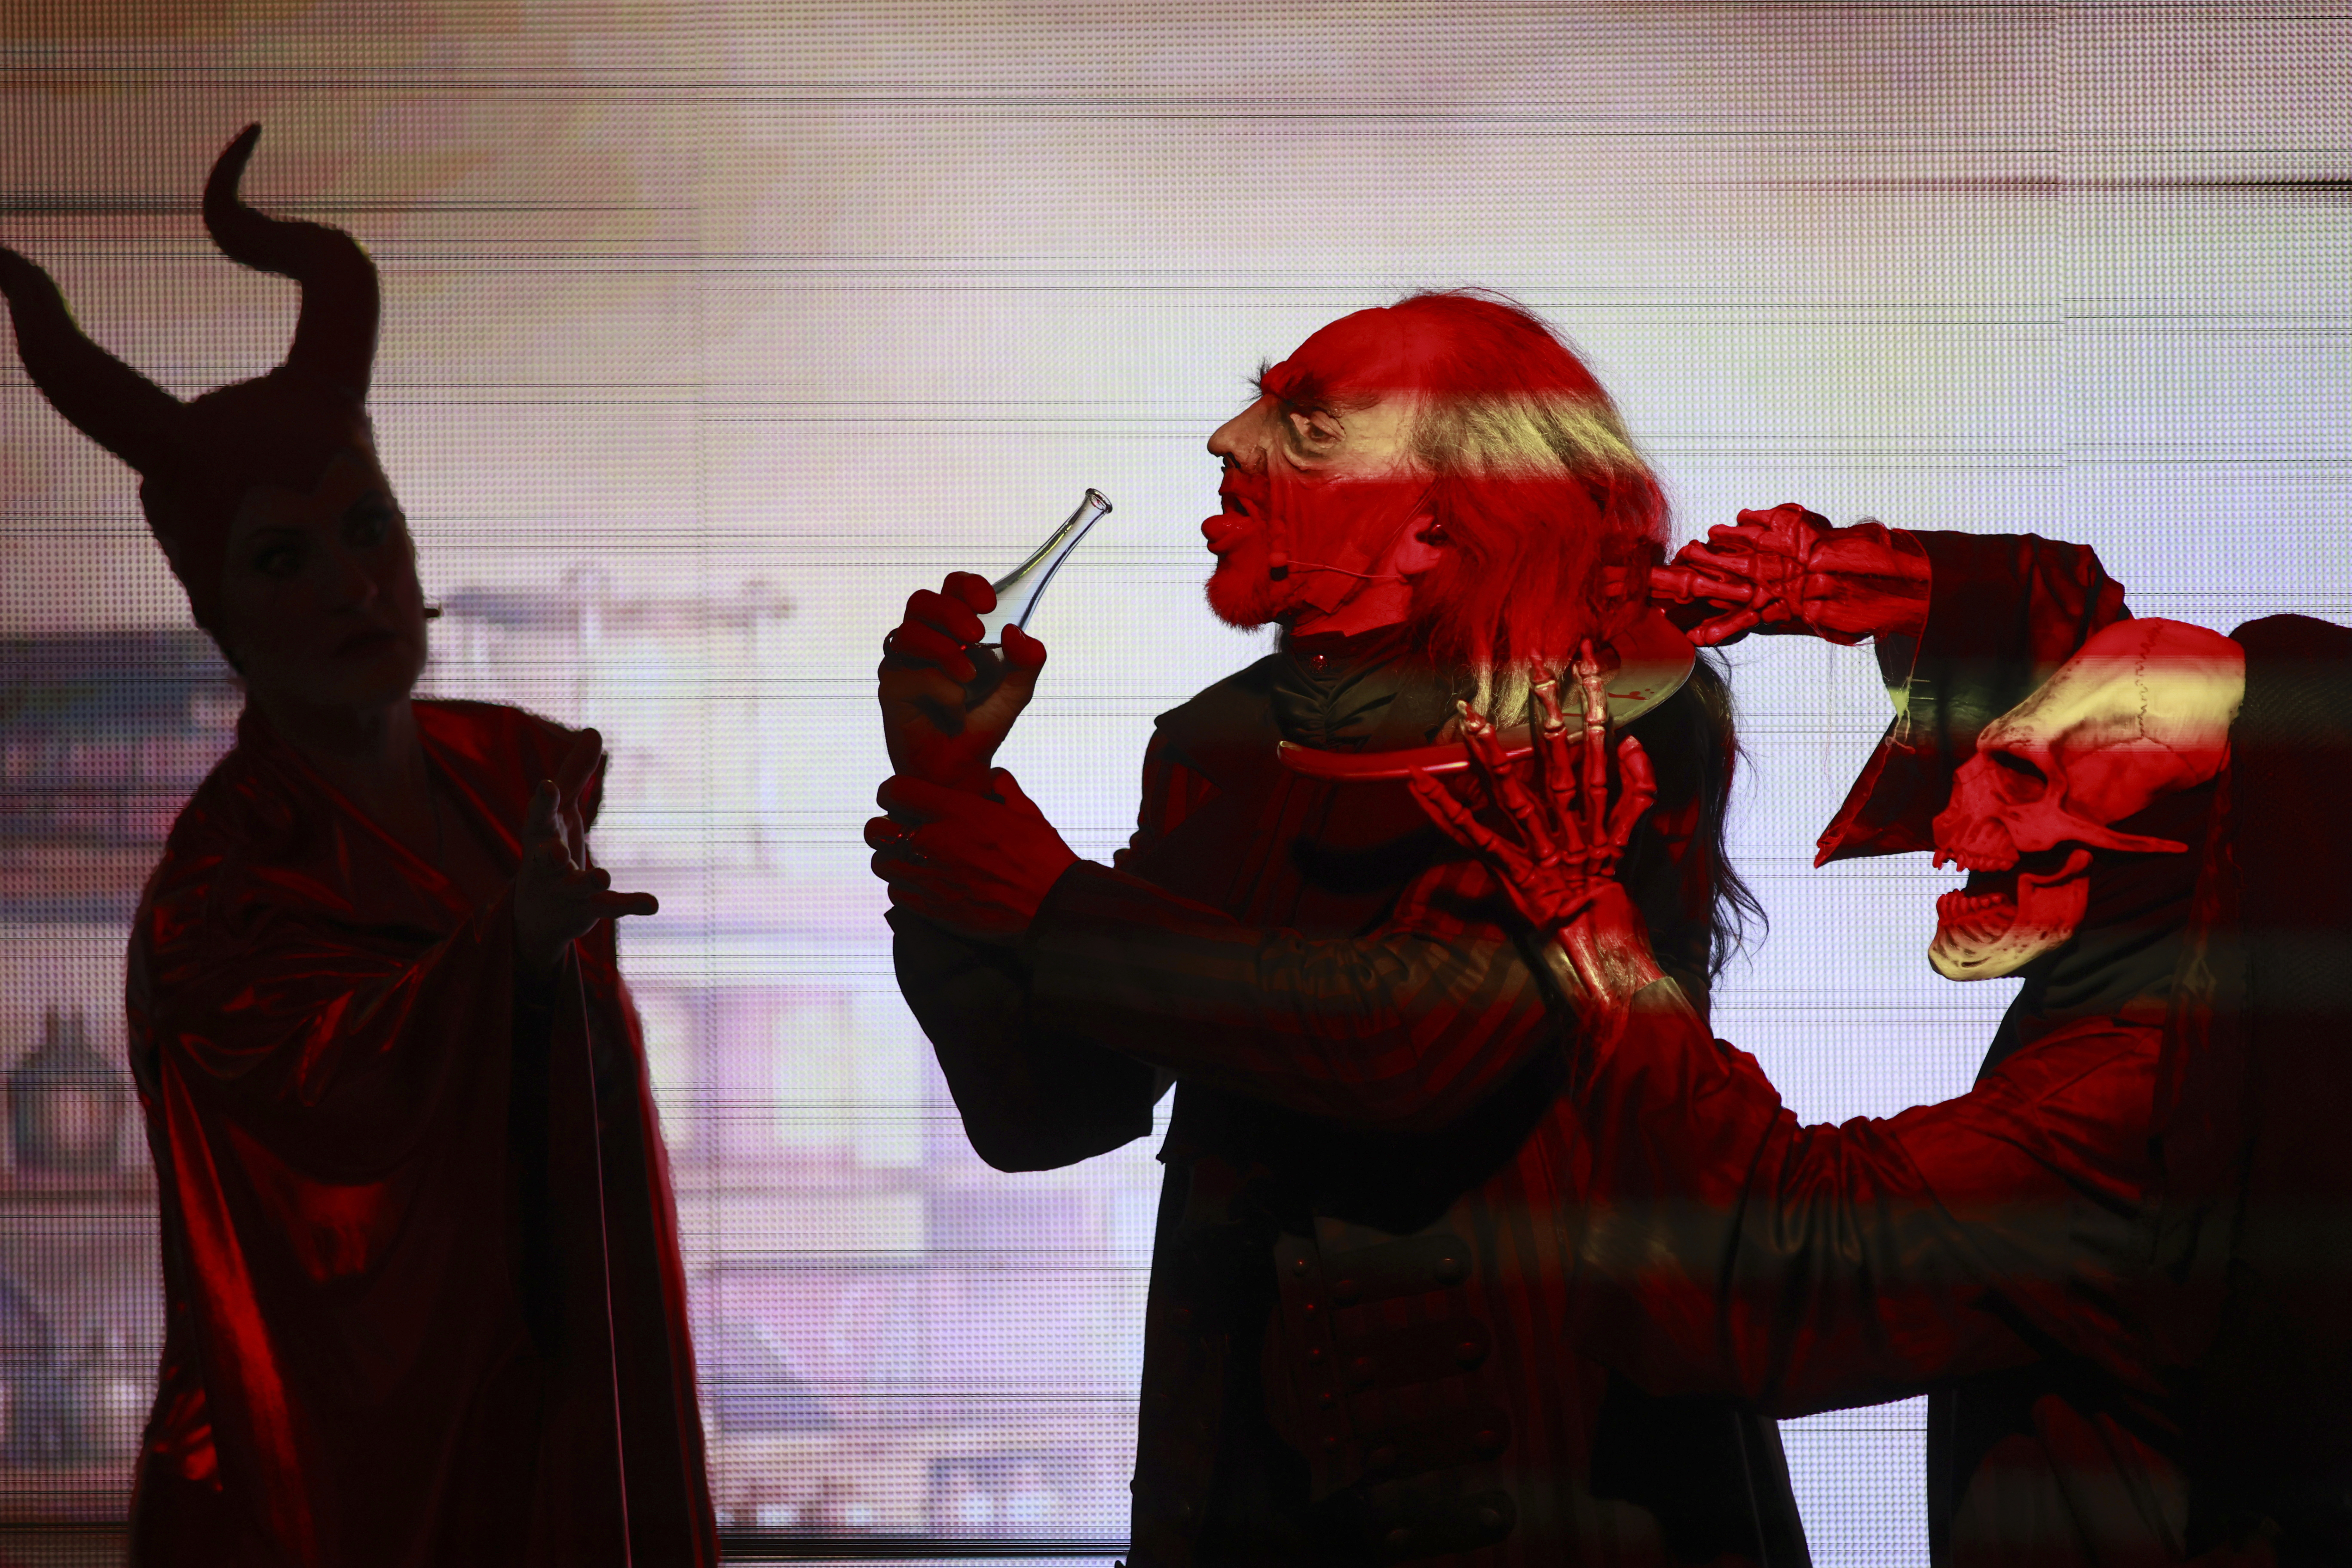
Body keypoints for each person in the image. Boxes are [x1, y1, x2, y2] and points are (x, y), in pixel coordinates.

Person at [871, 294, 1810, 1565]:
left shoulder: (1609, 711)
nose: (1229, 440)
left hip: (1552, 1499)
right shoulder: (1224, 744)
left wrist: (1049, 902)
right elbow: (1045, 1110)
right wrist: (947, 796)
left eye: (1304, 426)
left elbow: (1415, 1043)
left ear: (1437, 516)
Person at [0, 126, 717, 1566]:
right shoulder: (221, 885)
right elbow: (320, 1126)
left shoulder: (510, 775)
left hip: (560, 1432)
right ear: (221, 616)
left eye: (368, 528)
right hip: (335, 1488)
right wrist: (496, 957)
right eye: (284, 556)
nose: (352, 583)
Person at [1421, 508, 2352, 1564]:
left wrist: (1587, 917)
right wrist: (1868, 585)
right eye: (1999, 752)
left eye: (2023, 784)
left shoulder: (2136, 1104)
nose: (1959, 806)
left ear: (2171, 853)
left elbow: (1779, 1257)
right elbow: (2132, 695)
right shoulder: (2270, 905)